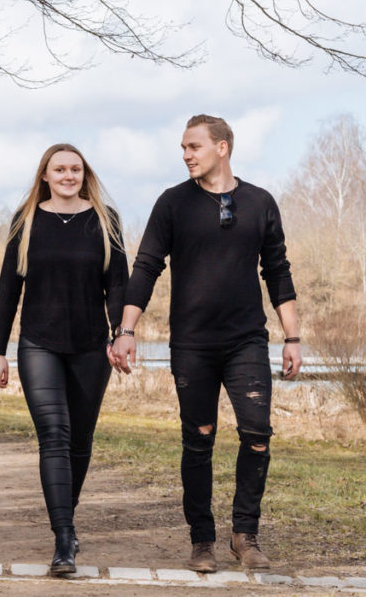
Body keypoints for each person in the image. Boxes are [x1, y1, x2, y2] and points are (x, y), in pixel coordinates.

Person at [112, 114, 301, 573]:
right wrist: (127, 329)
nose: (185, 155)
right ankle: (202, 542)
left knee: (257, 435)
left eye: (193, 146)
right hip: (192, 345)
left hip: (247, 343)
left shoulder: (259, 203)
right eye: (182, 148)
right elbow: (147, 266)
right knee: (199, 441)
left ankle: (245, 535)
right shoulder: (172, 203)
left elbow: (277, 271)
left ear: (222, 147)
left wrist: (293, 336)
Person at [0, 144, 128, 574]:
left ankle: (67, 518)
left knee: (80, 443)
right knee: (54, 435)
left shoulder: (105, 220)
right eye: (59, 169)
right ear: (44, 175)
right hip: (39, 344)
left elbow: (119, 287)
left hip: (91, 347)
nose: (68, 175)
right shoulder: (26, 220)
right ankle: (64, 540)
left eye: (75, 168)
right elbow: (9, 289)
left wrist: (122, 335)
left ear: (84, 174)